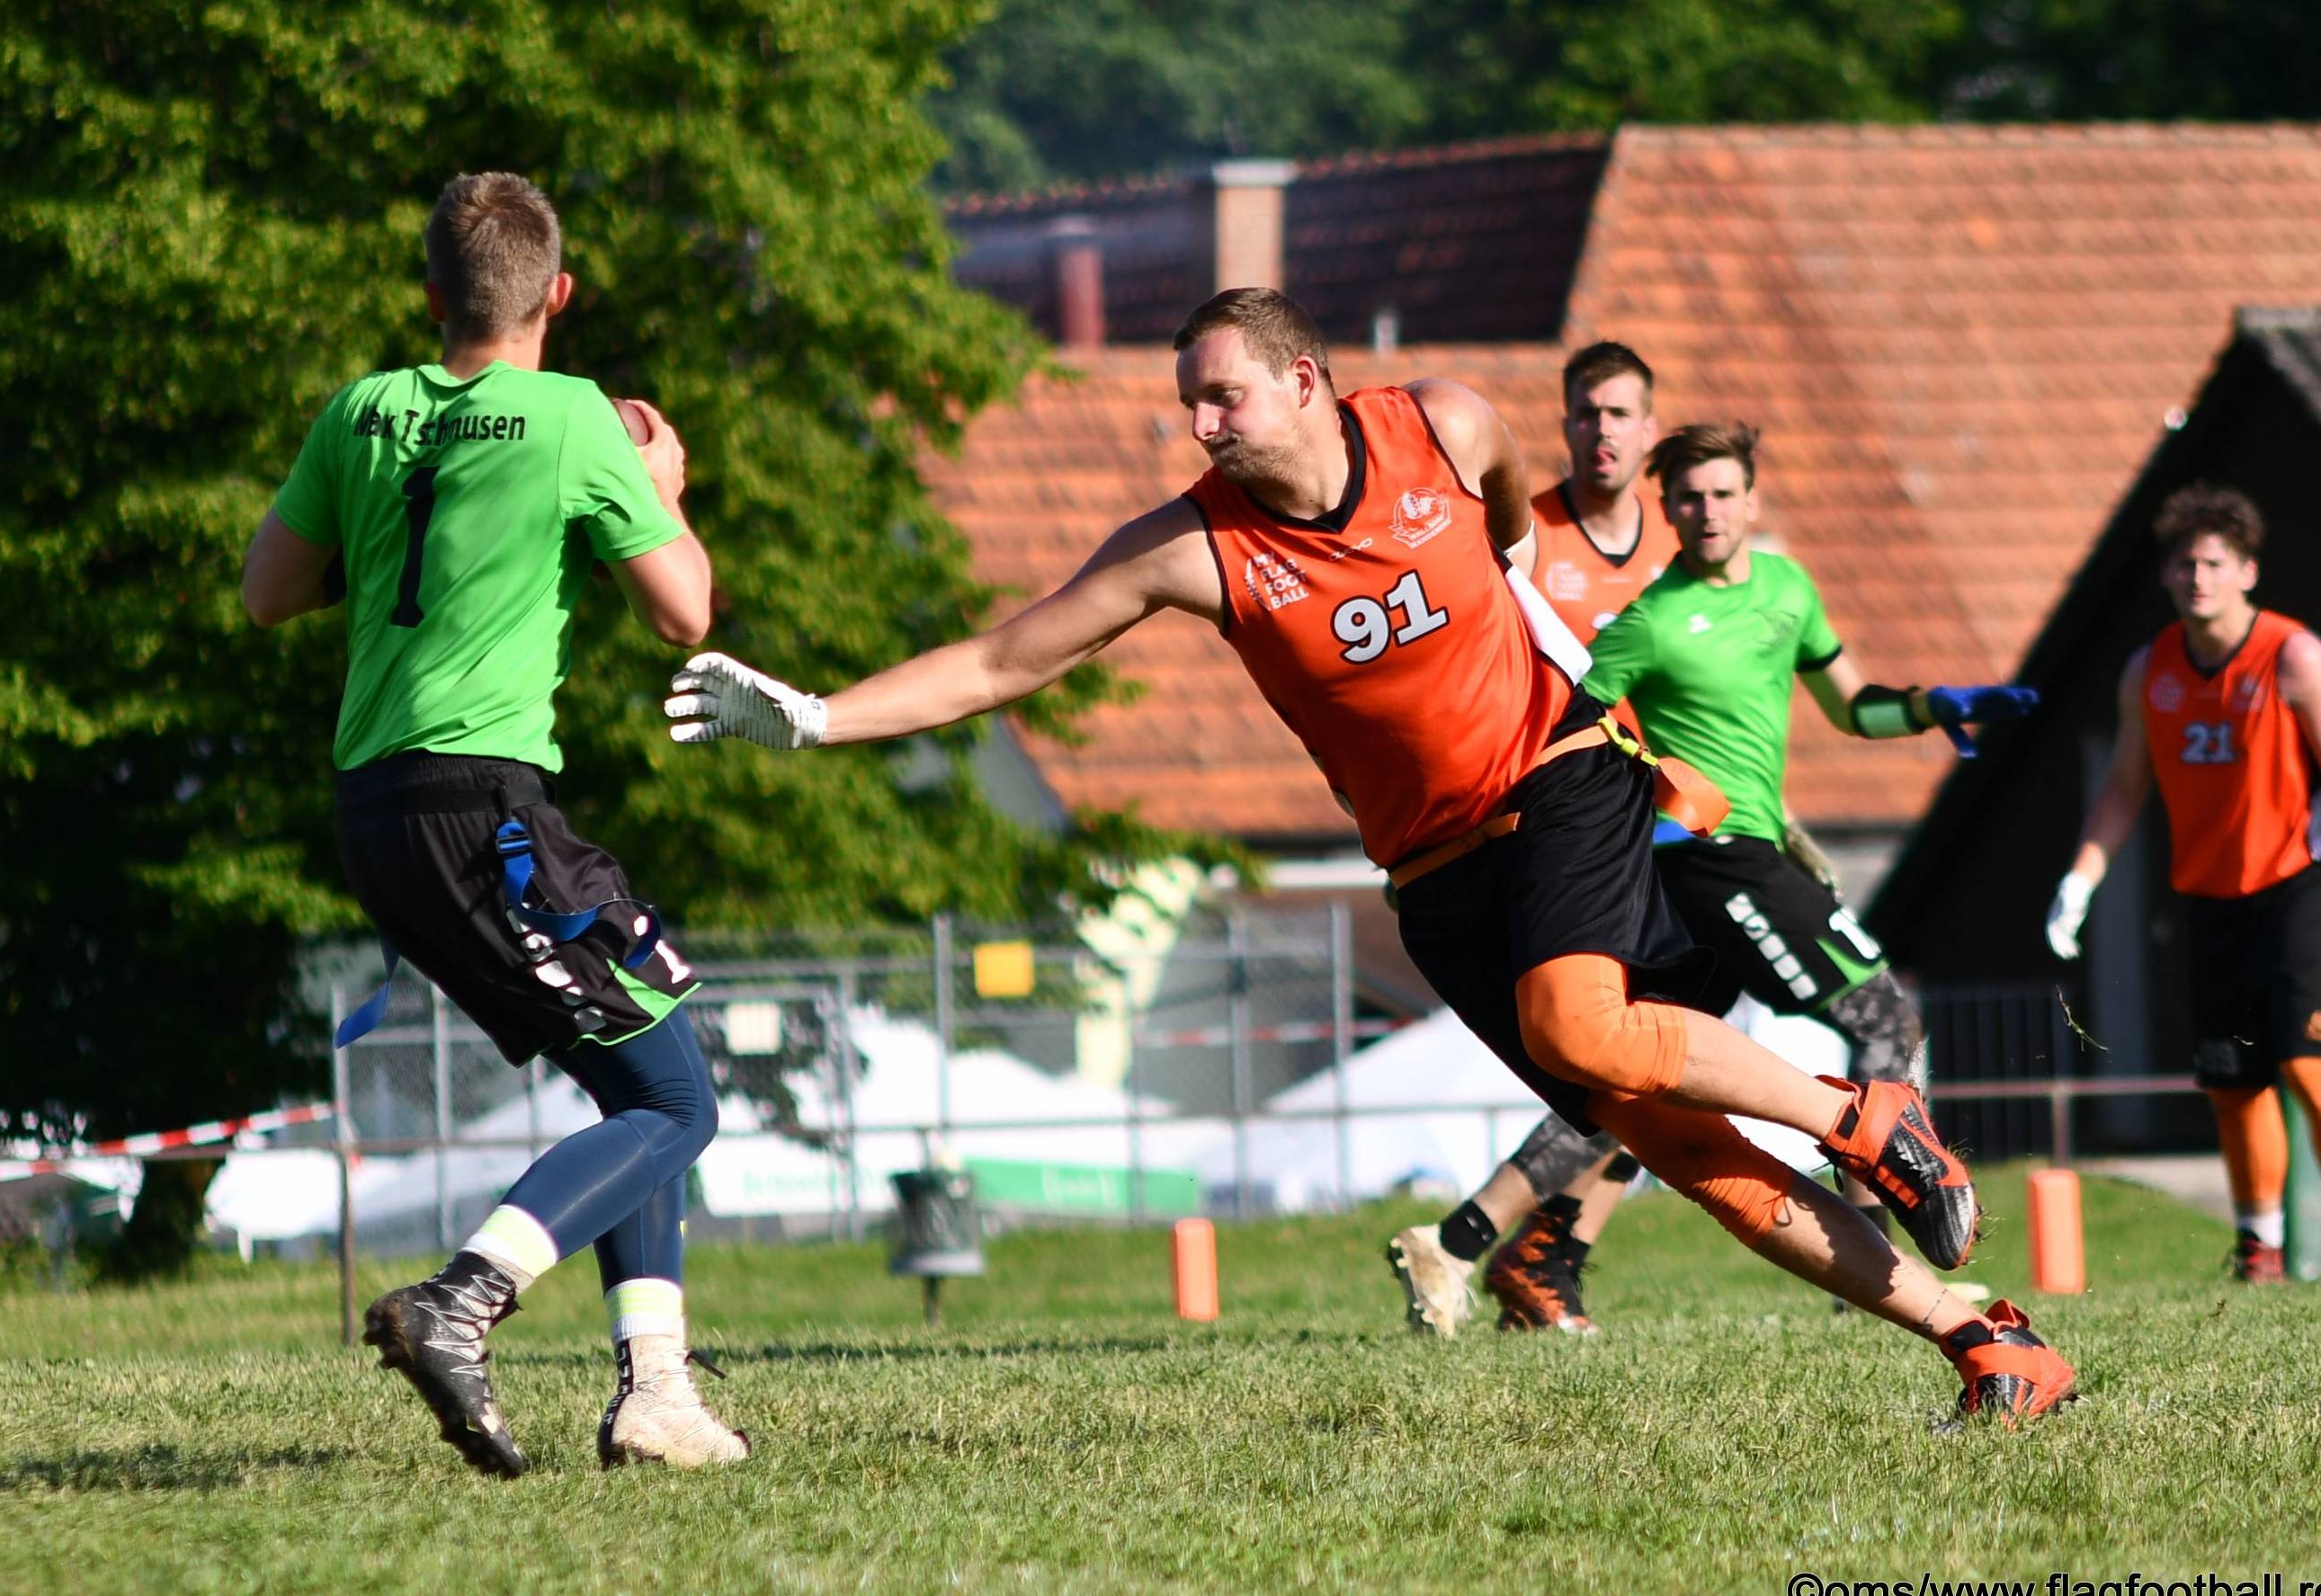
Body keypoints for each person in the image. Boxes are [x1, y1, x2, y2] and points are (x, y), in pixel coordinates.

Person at [663, 288, 2076, 1427]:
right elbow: (997, 655)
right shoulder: (1194, 549)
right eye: (1185, 402)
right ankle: (1985, 1341)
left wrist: (1522, 586)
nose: (1198, 422)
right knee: (1677, 1147)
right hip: (1433, 873)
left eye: (1220, 392)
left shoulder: (1443, 425)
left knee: (1573, 1020)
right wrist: (816, 717)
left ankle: (1861, 1113)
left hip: (1562, 771)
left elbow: (1515, 517)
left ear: (1304, 381)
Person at [241, 172, 748, 1475]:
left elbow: (268, 590)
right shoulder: (576, 418)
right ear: (556, 296)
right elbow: (685, 612)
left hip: (376, 808)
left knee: (643, 1062)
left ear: (432, 299)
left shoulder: (362, 410)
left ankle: (658, 1391)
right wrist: (664, 481)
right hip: (485, 803)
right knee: (675, 1101)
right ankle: (460, 1301)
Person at [1392, 414, 2031, 1338]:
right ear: (1670, 509)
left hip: (1758, 849)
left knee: (1658, 1072)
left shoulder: (1786, 587)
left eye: (1723, 492)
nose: (1707, 510)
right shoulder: (1649, 621)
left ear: (1752, 500)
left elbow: (1852, 706)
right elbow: (1560, 729)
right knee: (1883, 1018)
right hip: (1698, 860)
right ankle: (1882, 1250)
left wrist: (1937, 706)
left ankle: (1516, 1244)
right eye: (1688, 497)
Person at [1388, 340, 1670, 1335]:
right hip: (1559, 818)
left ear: (1649, 428)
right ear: (1563, 424)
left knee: (1639, 1059)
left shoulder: (1677, 543)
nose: (1602, 431)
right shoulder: (1527, 530)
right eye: (1586, 412)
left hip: (1663, 814)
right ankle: (1475, 1241)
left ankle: (1534, 1262)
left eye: (1621, 413)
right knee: (1619, 1051)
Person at [2045, 484, 2321, 1284]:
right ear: (2164, 575)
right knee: (2233, 1080)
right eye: (2182, 563)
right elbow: (2126, 785)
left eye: (2213, 562)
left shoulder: (2293, 656)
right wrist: (2081, 879)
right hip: (2207, 895)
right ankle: (2257, 1247)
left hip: (2296, 886)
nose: (2196, 576)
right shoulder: (2150, 670)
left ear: (2247, 571)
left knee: (2307, 1065)